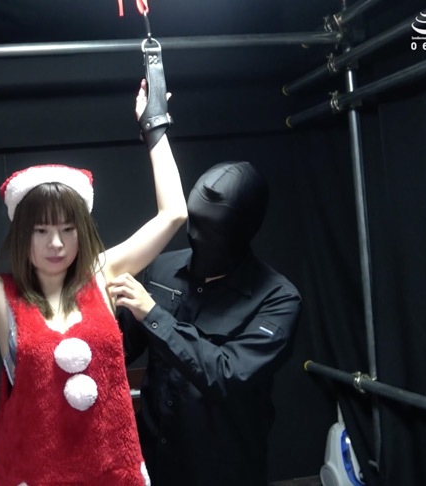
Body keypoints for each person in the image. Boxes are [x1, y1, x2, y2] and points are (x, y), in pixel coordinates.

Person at [0, 78, 186, 486]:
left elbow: (173, 214)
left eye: (68, 229)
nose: (56, 244)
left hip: (113, 474)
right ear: (22, 235)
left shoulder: (102, 274)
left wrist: (154, 125)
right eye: (41, 231)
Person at [109, 161, 302, 486]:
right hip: (153, 459)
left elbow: (226, 374)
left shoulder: (277, 299)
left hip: (220, 469)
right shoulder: (162, 269)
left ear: (242, 230)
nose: (196, 236)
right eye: (193, 222)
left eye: (209, 229)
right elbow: (119, 348)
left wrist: (153, 315)